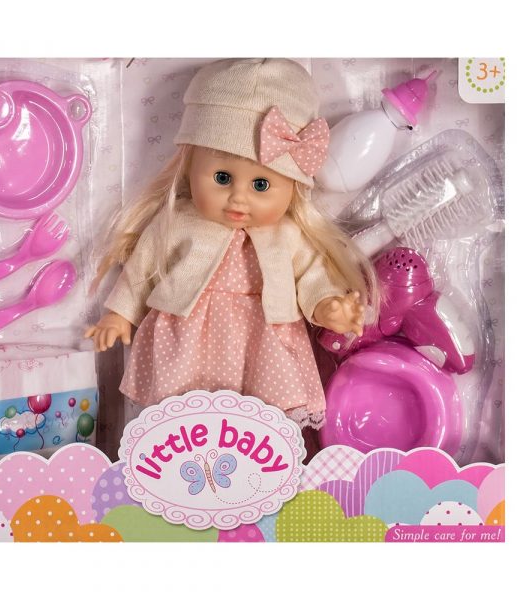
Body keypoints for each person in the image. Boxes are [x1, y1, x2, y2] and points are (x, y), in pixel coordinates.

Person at [85, 58, 378, 431]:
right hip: (186, 343)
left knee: (261, 431)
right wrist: (119, 314)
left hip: (263, 347)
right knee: (180, 428)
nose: (239, 198)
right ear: (190, 167)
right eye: (222, 177)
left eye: (260, 185)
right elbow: (142, 268)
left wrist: (327, 306)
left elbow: (312, 276)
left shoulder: (288, 235)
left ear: (293, 186)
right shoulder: (178, 222)